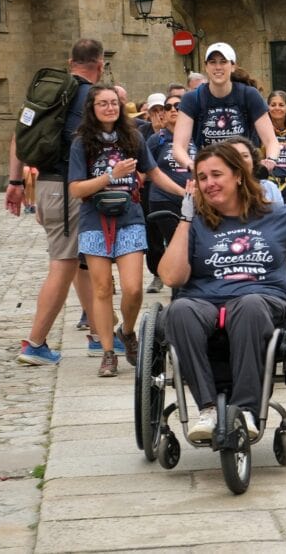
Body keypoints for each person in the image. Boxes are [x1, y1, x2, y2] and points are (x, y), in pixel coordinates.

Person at [159, 142, 286, 441]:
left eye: (216, 174)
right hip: (204, 301)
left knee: (248, 305)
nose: (209, 183)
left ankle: (247, 410)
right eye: (202, 178)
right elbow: (172, 277)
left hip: (263, 301)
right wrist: (186, 219)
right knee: (178, 311)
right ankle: (208, 408)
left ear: (238, 175)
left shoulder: (278, 214)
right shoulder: (196, 222)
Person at [68, 85, 185, 377]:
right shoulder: (82, 142)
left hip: (130, 217)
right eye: (102, 104)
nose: (109, 108)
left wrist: (184, 193)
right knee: (102, 288)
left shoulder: (132, 137)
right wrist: (110, 175)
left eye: (114, 103)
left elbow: (155, 173)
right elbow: (75, 188)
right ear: (92, 109)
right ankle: (108, 352)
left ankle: (128, 331)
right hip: (95, 220)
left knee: (133, 289)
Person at [8, 38, 103, 367]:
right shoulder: (91, 96)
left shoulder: (50, 95)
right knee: (64, 265)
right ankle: (35, 343)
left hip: (48, 186)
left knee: (81, 263)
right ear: (100, 64)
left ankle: (101, 334)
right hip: (68, 190)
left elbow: (18, 136)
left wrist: (15, 182)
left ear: (70, 62)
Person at [172, 42, 280, 173]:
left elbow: (271, 140)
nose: (218, 67)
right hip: (209, 170)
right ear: (206, 67)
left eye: (223, 62)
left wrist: (270, 160)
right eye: (212, 62)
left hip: (242, 170)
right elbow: (178, 147)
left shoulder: (249, 95)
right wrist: (190, 164)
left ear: (233, 66)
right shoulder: (192, 99)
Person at [146, 91, 193, 293]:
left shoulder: (195, 136)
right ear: (163, 113)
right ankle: (176, 287)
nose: (173, 110)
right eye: (169, 107)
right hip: (163, 199)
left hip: (194, 199)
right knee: (175, 242)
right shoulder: (157, 140)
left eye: (178, 106)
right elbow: (146, 171)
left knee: (193, 243)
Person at [141, 92, 168, 293]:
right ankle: (157, 274)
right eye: (155, 111)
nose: (159, 114)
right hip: (148, 188)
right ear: (148, 113)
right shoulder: (141, 133)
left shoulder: (176, 131)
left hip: (171, 187)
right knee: (153, 233)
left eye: (162, 110)